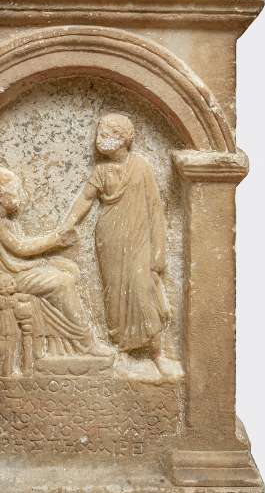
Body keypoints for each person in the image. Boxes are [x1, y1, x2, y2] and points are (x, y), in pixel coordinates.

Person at [62, 113, 184, 379]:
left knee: (144, 290)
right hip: (110, 239)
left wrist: (159, 253)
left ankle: (157, 353)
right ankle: (124, 353)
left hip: (140, 240)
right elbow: (85, 199)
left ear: (124, 138)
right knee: (115, 293)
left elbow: (155, 208)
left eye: (107, 135)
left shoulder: (141, 166)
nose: (100, 139)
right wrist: (68, 224)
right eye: (99, 134)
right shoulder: (101, 171)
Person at [0, 167, 109, 357]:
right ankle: (85, 341)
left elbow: (19, 253)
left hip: (17, 269)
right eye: (15, 191)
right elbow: (21, 248)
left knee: (69, 268)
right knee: (62, 282)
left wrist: (44, 260)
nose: (21, 196)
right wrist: (55, 240)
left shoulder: (4, 221)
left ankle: (59, 344)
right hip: (7, 276)